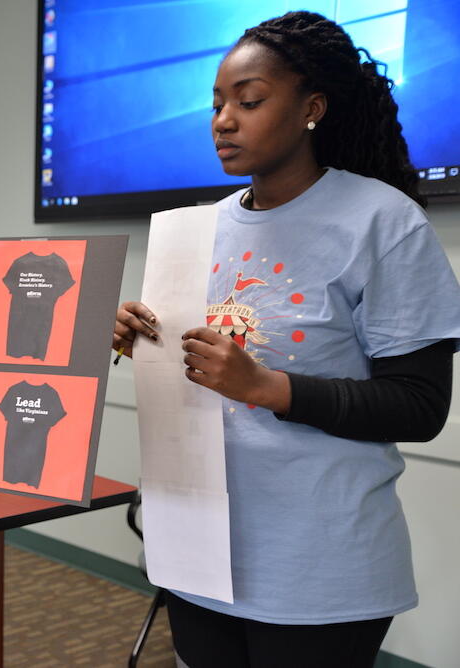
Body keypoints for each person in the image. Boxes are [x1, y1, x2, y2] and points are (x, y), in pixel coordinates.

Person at [113, 12, 460, 668]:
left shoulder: (383, 224)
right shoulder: (196, 228)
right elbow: (190, 383)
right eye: (216, 105)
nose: (223, 119)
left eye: (248, 101)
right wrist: (139, 339)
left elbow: (419, 406)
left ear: (313, 109)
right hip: (200, 553)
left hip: (320, 572)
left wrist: (265, 387)